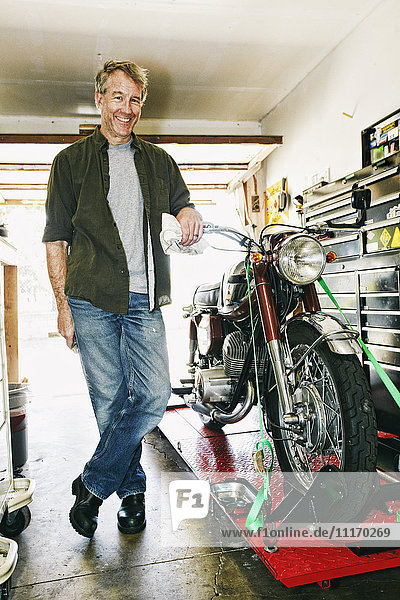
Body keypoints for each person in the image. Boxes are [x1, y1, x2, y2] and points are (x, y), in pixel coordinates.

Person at [43, 59, 203, 538]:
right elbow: (55, 240)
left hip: (144, 298)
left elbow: (182, 203)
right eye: (117, 97)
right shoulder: (69, 163)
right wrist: (61, 306)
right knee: (111, 402)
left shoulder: (159, 161)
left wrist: (189, 211)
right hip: (91, 298)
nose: (126, 109)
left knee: (153, 395)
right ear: (99, 99)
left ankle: (92, 484)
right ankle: (132, 493)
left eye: (135, 100)